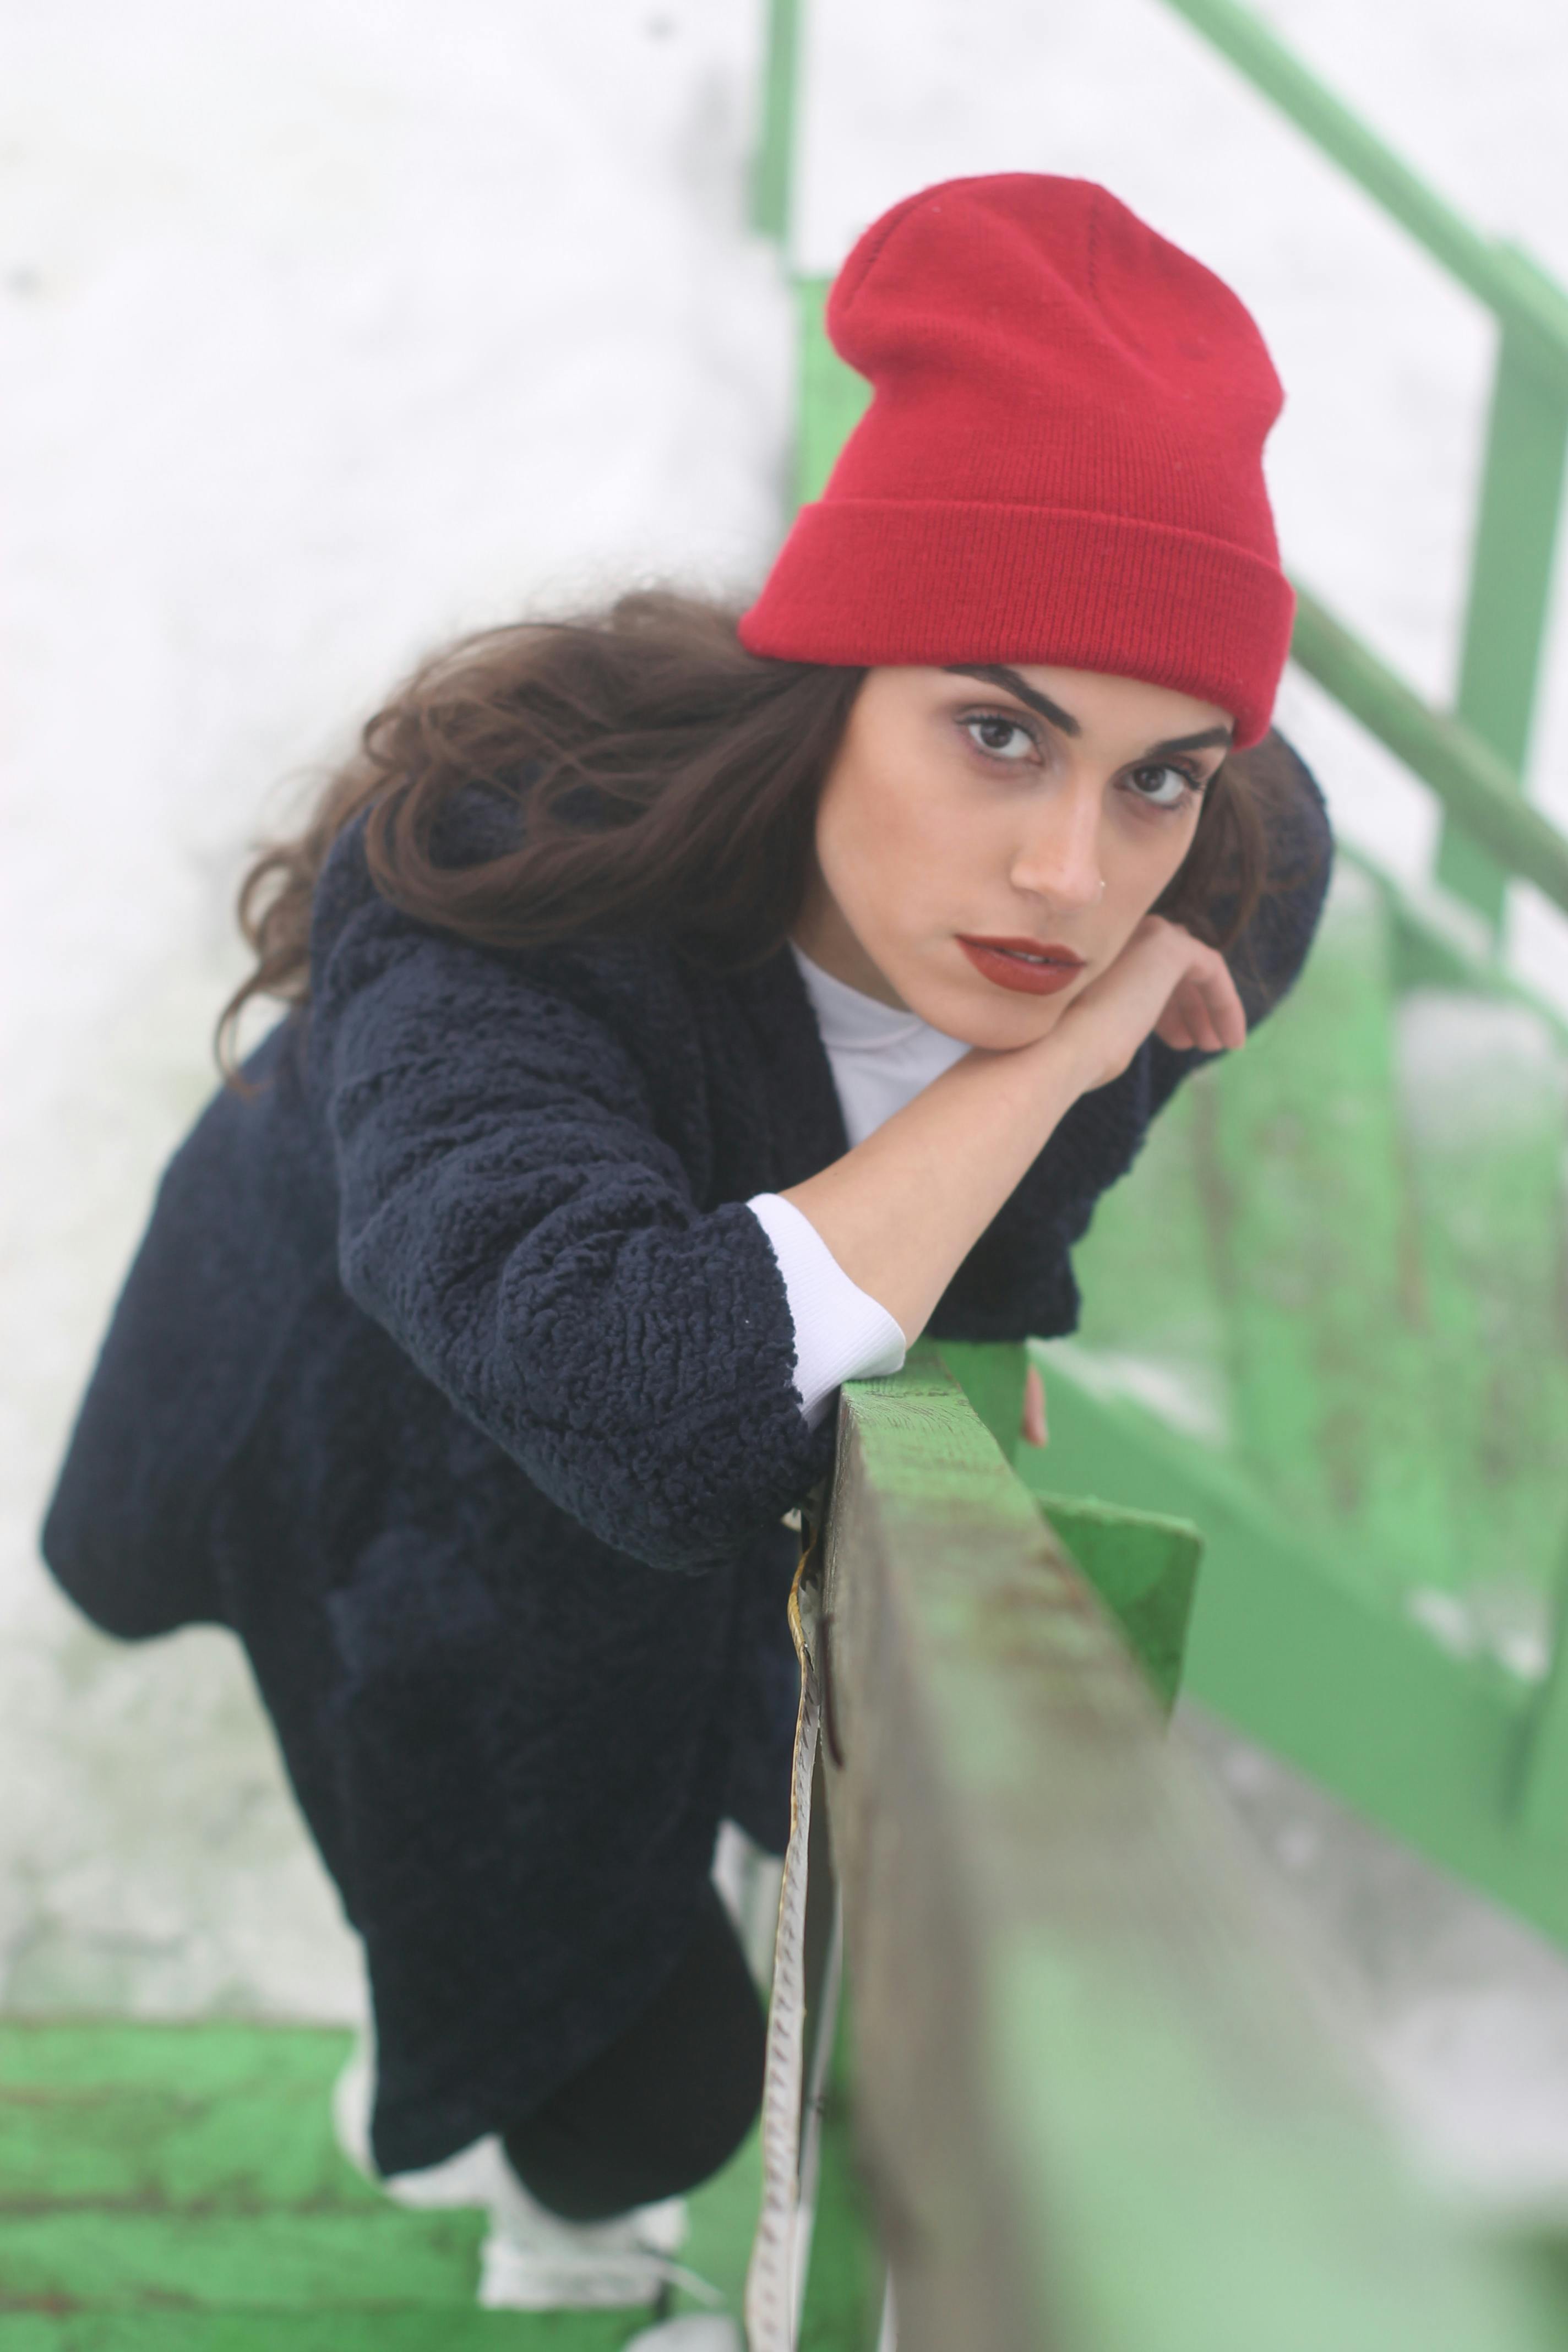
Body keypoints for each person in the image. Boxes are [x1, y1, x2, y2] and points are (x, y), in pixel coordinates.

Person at [41, 173, 1331, 2339]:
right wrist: (1051, 1056)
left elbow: (1173, 912)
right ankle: (550, 2221)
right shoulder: (504, 891)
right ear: (831, 684)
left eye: (1156, 778)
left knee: (745, 1781)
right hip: (399, 1394)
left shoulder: (1231, 875)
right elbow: (640, 1390)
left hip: (696, 1403)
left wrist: (1070, 1032)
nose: (1065, 867)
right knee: (595, 2045)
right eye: (992, 731)